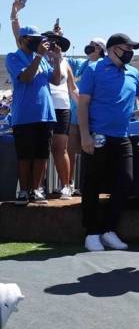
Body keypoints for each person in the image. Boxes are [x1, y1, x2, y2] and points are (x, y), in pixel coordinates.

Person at [78, 33, 139, 251]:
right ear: (113, 49)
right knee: (92, 183)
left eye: (132, 48)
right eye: (126, 48)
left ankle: (108, 229)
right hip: (97, 135)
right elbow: (83, 104)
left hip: (121, 136)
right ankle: (92, 232)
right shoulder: (94, 69)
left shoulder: (133, 73)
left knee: (126, 180)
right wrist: (85, 135)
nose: (130, 52)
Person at [6, 25, 61, 205]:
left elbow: (55, 80)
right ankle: (23, 191)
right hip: (24, 116)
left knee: (41, 155)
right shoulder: (13, 57)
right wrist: (38, 56)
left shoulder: (43, 58)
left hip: (45, 114)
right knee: (25, 156)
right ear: (22, 39)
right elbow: (26, 77)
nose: (37, 41)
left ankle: (36, 190)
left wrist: (58, 61)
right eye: (32, 38)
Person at [67, 38, 106, 196]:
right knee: (70, 149)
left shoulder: (103, 66)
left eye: (93, 45)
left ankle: (87, 185)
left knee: (88, 151)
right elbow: (62, 58)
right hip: (75, 114)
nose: (89, 47)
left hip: (92, 116)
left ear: (100, 49)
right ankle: (68, 183)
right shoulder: (81, 64)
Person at [43, 26, 78, 200]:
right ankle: (38, 187)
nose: (52, 45)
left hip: (62, 107)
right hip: (42, 108)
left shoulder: (65, 62)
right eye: (49, 42)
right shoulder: (38, 58)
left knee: (60, 148)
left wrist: (87, 109)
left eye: (55, 42)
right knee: (41, 149)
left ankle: (66, 185)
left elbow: (73, 89)